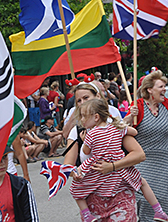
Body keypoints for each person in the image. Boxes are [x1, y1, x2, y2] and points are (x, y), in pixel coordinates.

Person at [62, 82, 146, 221]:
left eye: (86, 98)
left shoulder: (114, 127)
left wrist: (112, 166)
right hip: (93, 201)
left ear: (98, 97)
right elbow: (68, 166)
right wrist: (74, 173)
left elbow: (139, 155)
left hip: (120, 194)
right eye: (78, 100)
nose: (82, 102)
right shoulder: (76, 132)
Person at [71, 99, 167, 222]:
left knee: (76, 188)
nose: (82, 120)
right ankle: (158, 210)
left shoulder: (91, 134)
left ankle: (86, 215)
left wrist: (85, 141)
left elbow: (86, 151)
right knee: (141, 182)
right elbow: (134, 132)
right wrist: (122, 127)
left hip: (97, 165)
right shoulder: (116, 128)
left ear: (96, 117)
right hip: (119, 163)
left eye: (84, 116)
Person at [123, 71, 168, 221]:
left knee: (165, 199)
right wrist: (129, 117)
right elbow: (120, 130)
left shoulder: (166, 106)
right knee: (144, 200)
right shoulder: (138, 106)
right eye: (161, 86)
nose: (165, 89)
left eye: (165, 86)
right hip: (143, 161)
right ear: (150, 89)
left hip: (165, 162)